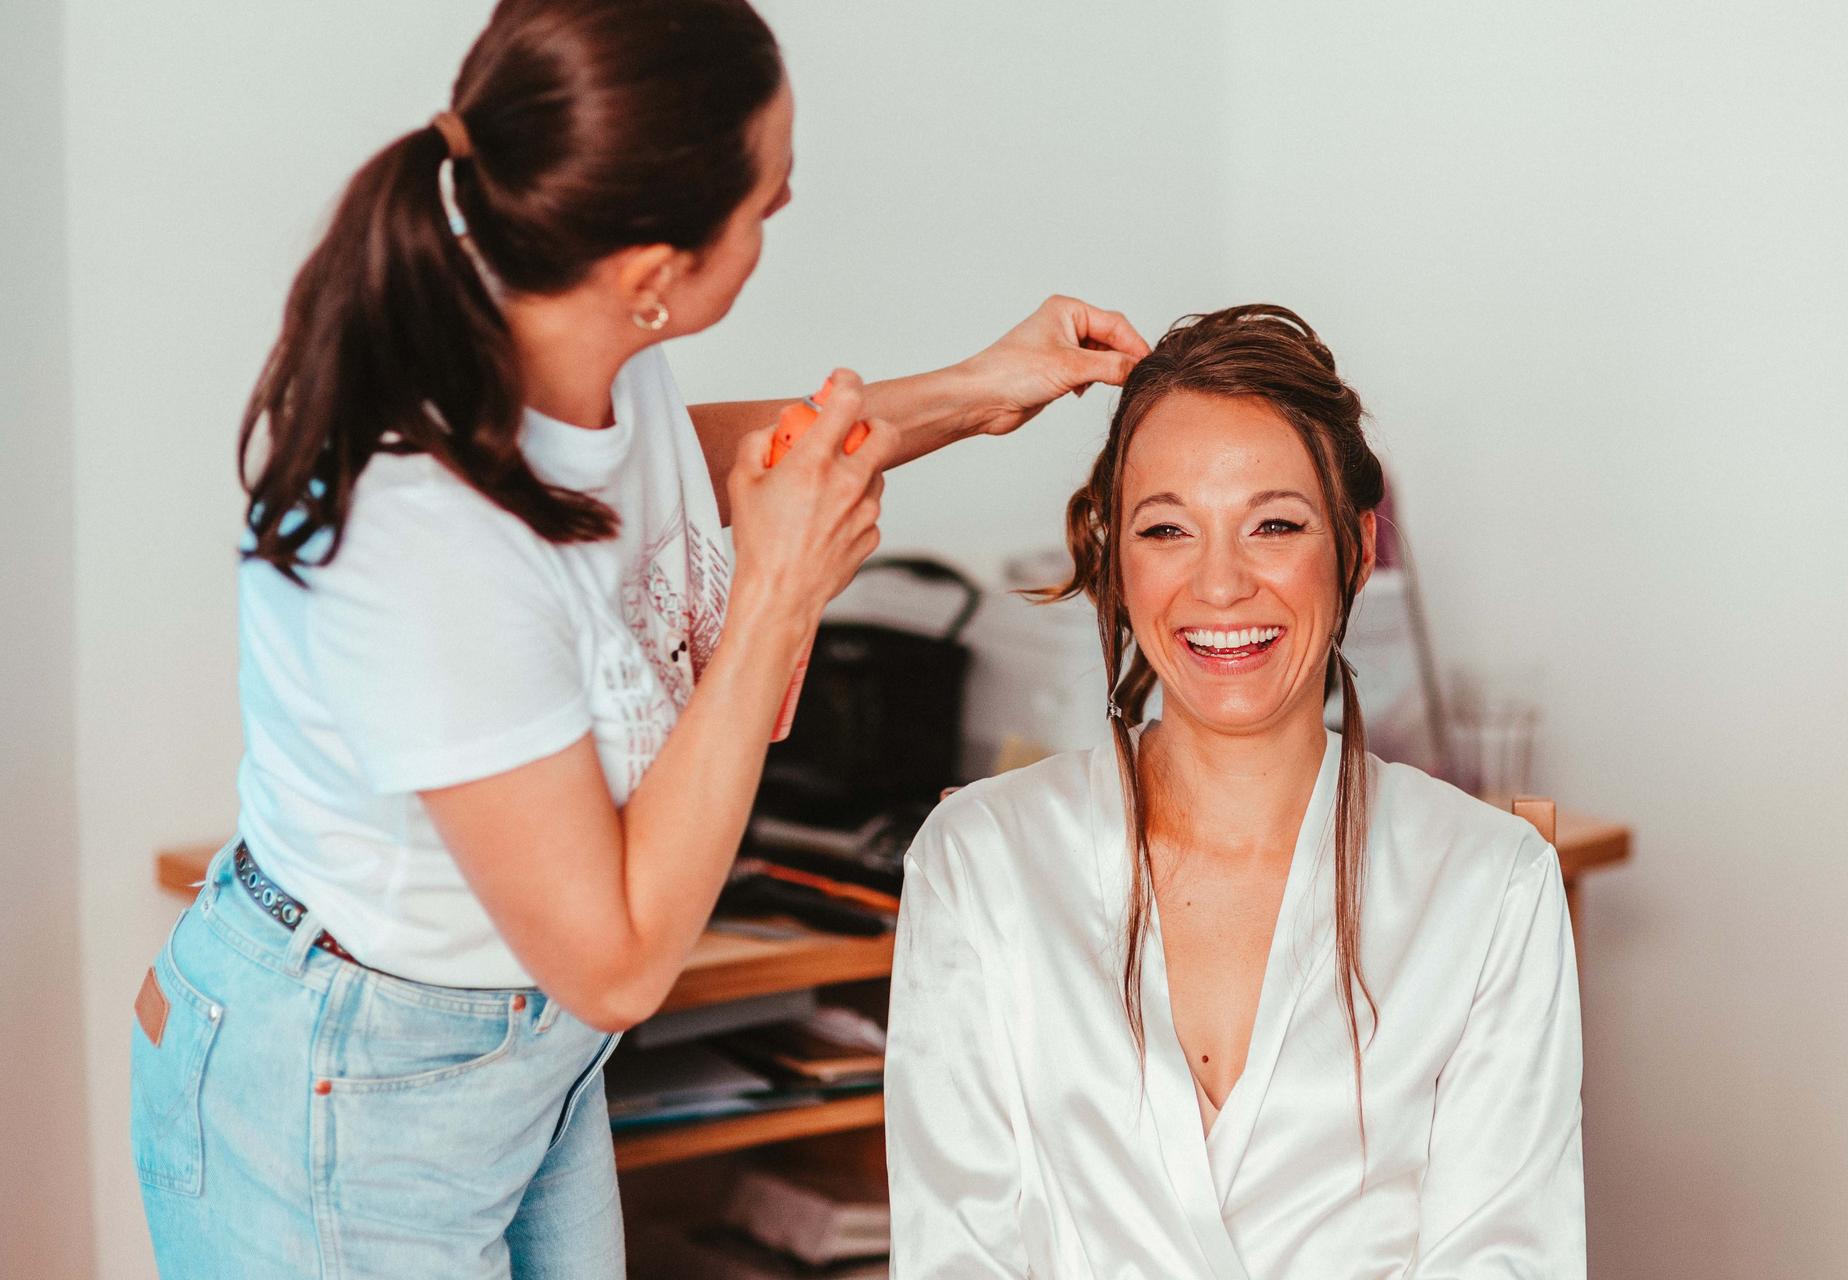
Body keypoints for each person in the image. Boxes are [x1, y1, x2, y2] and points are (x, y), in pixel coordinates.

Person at [126, 1, 1149, 1275]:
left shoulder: (570, 330)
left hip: (528, 1057)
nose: (786, 208)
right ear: (656, 270)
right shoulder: (424, 532)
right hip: (344, 1086)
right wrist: (780, 589)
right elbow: (615, 963)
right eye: (768, 200)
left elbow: (658, 469)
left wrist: (975, 390)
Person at [885, 305, 1585, 1277]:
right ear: (1115, 557)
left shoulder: (1491, 883)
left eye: (1274, 525)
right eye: (1168, 528)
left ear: (1355, 548)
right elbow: (955, 1253)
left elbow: (1504, 1259)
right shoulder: (980, 862)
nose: (1219, 585)